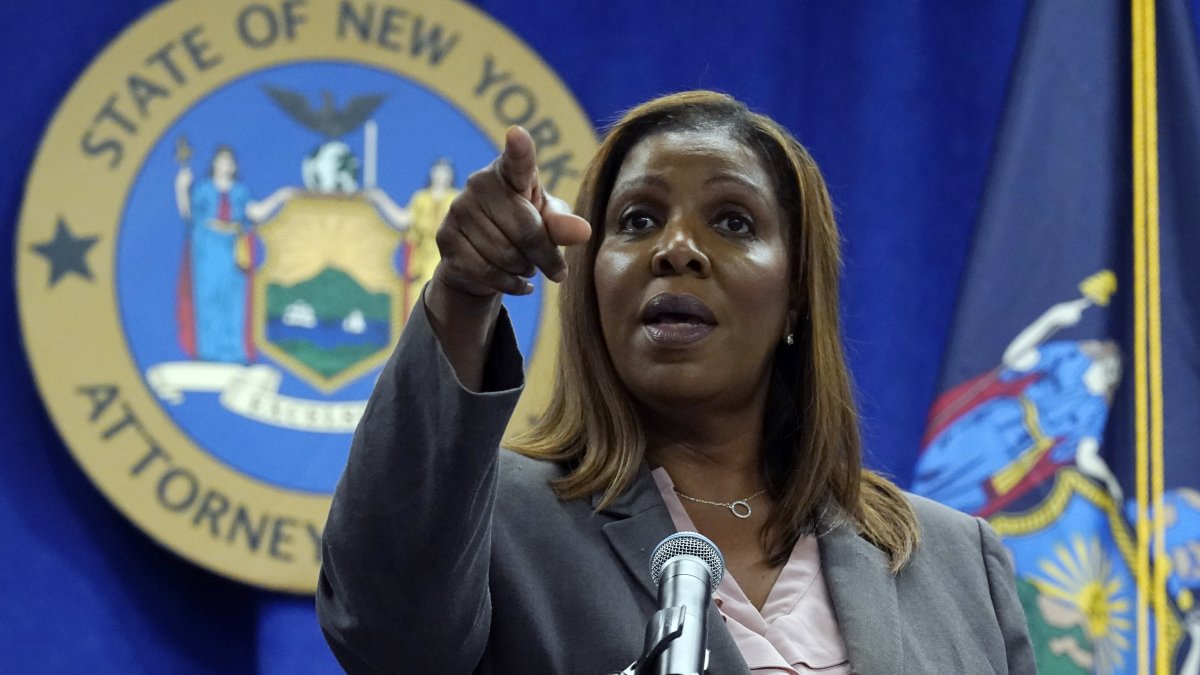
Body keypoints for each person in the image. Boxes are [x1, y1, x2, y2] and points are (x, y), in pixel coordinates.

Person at [316, 91, 1035, 674]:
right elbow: (387, 637)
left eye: (733, 221)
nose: (677, 250)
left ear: (795, 295)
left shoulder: (955, 561)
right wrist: (464, 291)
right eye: (638, 220)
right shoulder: (489, 520)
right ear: (592, 281)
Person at [173, 146, 295, 362]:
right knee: (209, 295)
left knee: (233, 298)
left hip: (233, 247)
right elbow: (188, 213)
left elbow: (256, 213)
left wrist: (279, 197)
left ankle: (232, 351)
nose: (226, 165)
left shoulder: (240, 191)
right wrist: (181, 188)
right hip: (207, 247)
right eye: (222, 161)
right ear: (214, 164)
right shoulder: (203, 189)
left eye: (229, 162)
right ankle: (209, 351)